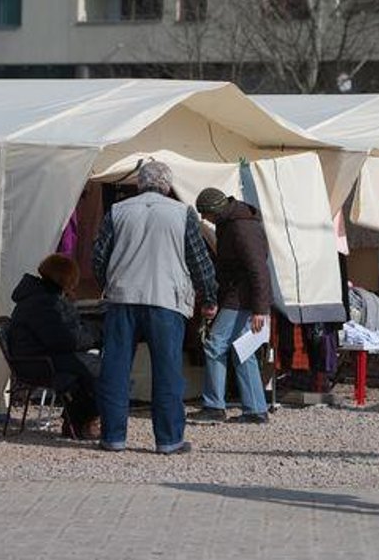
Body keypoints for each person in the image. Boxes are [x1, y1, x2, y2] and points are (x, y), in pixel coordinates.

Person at [92, 159, 218, 454]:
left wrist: (108, 282)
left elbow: (98, 256)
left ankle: (113, 437)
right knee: (167, 371)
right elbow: (199, 261)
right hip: (166, 299)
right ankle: (168, 439)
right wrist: (209, 298)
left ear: (139, 183)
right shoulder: (182, 213)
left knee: (115, 370)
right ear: (167, 185)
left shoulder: (117, 210)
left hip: (123, 297)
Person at [187, 187, 272, 424]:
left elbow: (258, 269)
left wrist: (260, 310)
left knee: (215, 345)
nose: (205, 219)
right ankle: (255, 409)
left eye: (205, 214)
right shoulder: (232, 222)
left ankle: (215, 406)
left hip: (242, 298)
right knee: (242, 350)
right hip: (241, 297)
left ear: (214, 211)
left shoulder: (240, 227)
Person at [8, 254, 101, 440]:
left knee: (91, 366)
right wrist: (95, 337)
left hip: (37, 358)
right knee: (101, 369)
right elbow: (64, 340)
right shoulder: (45, 303)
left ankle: (78, 421)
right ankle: (86, 421)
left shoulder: (39, 297)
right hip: (39, 363)